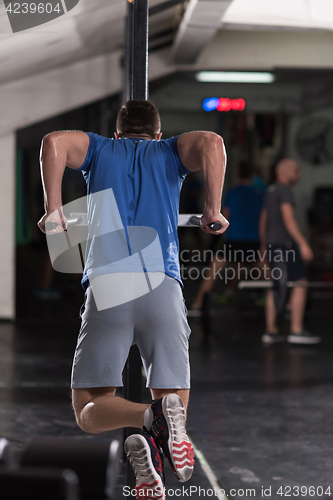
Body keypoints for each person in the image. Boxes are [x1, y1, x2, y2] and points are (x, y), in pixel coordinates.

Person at [37, 100, 228, 499]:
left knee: (88, 411)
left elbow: (53, 141)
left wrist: (53, 209)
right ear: (158, 134)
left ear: (118, 133)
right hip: (163, 286)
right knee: (172, 403)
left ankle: (148, 435)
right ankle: (153, 450)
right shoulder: (169, 151)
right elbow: (212, 141)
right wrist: (212, 209)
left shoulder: (100, 149)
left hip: (109, 288)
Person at [259, 158, 321, 345]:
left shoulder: (270, 190)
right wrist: (302, 243)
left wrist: (264, 244)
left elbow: (263, 220)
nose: (299, 174)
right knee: (300, 283)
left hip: (272, 244)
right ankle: (296, 329)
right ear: (286, 172)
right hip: (286, 245)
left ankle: (271, 331)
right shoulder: (284, 191)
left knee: (275, 285)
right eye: (297, 170)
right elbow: (288, 219)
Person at [190, 162, 264, 312]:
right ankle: (284, 301)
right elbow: (263, 220)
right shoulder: (260, 194)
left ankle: (197, 305)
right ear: (252, 177)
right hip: (254, 240)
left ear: (238, 177)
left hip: (233, 238)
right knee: (270, 277)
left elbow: (224, 217)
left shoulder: (232, 193)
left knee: (212, 272)